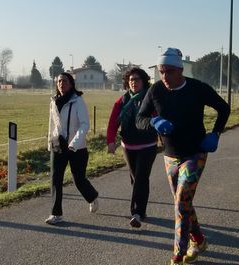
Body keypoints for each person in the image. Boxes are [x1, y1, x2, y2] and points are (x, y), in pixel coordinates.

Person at [136, 48, 230, 265]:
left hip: (195, 153)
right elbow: (139, 118)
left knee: (180, 202)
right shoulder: (155, 90)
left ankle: (176, 263)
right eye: (160, 72)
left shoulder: (197, 88)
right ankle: (199, 240)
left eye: (168, 71)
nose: (164, 77)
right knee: (183, 202)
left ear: (180, 70)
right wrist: (154, 121)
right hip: (169, 156)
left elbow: (224, 108)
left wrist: (216, 134)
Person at [106, 68, 157, 228]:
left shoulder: (150, 98)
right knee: (137, 178)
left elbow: (157, 117)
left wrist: (164, 136)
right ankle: (142, 209)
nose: (134, 82)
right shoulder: (122, 101)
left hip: (147, 145)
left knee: (140, 178)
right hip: (128, 146)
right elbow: (113, 121)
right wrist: (111, 141)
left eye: (137, 79)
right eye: (131, 80)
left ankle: (136, 213)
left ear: (144, 81)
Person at [46, 72, 99, 225]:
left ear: (71, 83)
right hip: (58, 146)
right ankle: (56, 214)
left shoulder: (78, 101)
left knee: (79, 180)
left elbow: (84, 124)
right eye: (59, 81)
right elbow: (52, 124)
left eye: (65, 81)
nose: (61, 84)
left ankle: (92, 196)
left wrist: (74, 143)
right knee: (56, 179)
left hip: (77, 148)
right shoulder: (53, 101)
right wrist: (50, 142)